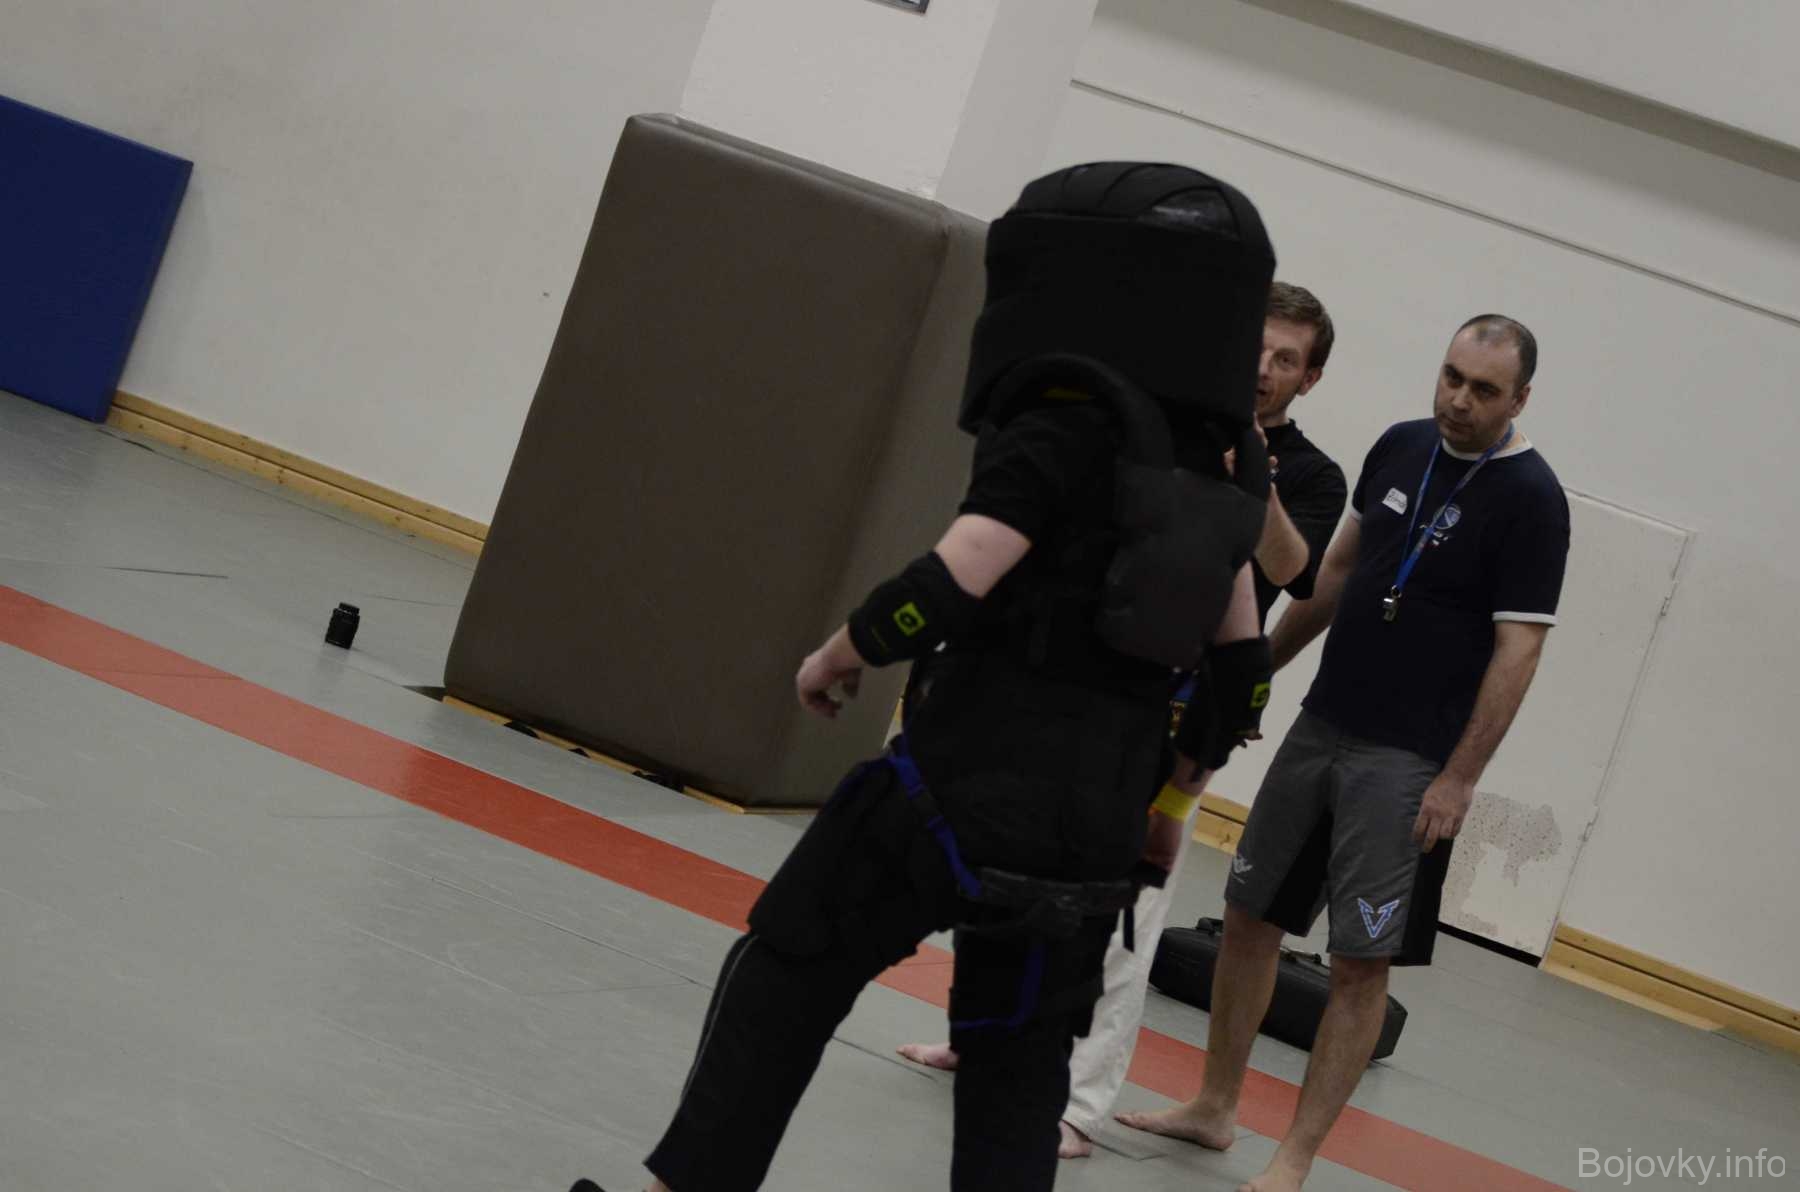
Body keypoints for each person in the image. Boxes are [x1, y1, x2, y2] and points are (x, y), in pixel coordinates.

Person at [565, 161, 1284, 1192]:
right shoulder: (1224, 471)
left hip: (961, 786)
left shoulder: (1067, 418)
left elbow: (950, 585)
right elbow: (1243, 676)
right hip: (1096, 832)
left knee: (789, 966)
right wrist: (1168, 805)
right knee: (1016, 1064)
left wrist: (839, 654)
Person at [895, 282, 1349, 1161]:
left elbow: (1293, 571)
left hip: (1183, 711)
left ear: (1310, 378)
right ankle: (983, 1038)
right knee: (1016, 859)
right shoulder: (1170, 418)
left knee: (1128, 904)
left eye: (1286, 359)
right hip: (1090, 671)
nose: (1263, 369)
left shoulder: (1314, 475)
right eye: (1256, 348)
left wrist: (1254, 474)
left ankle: (1078, 1101)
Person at [1117, 314, 1570, 1192]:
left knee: (1359, 964)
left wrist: (1460, 778)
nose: (1459, 400)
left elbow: (1519, 652)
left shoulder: (1532, 499)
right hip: (1322, 725)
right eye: (1451, 377)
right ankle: (1214, 1106)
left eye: (1483, 390)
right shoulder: (1401, 446)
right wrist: (1254, 674)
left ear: (1519, 400)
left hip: (1410, 762)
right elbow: (1332, 577)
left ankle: (1294, 1157)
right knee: (1248, 918)